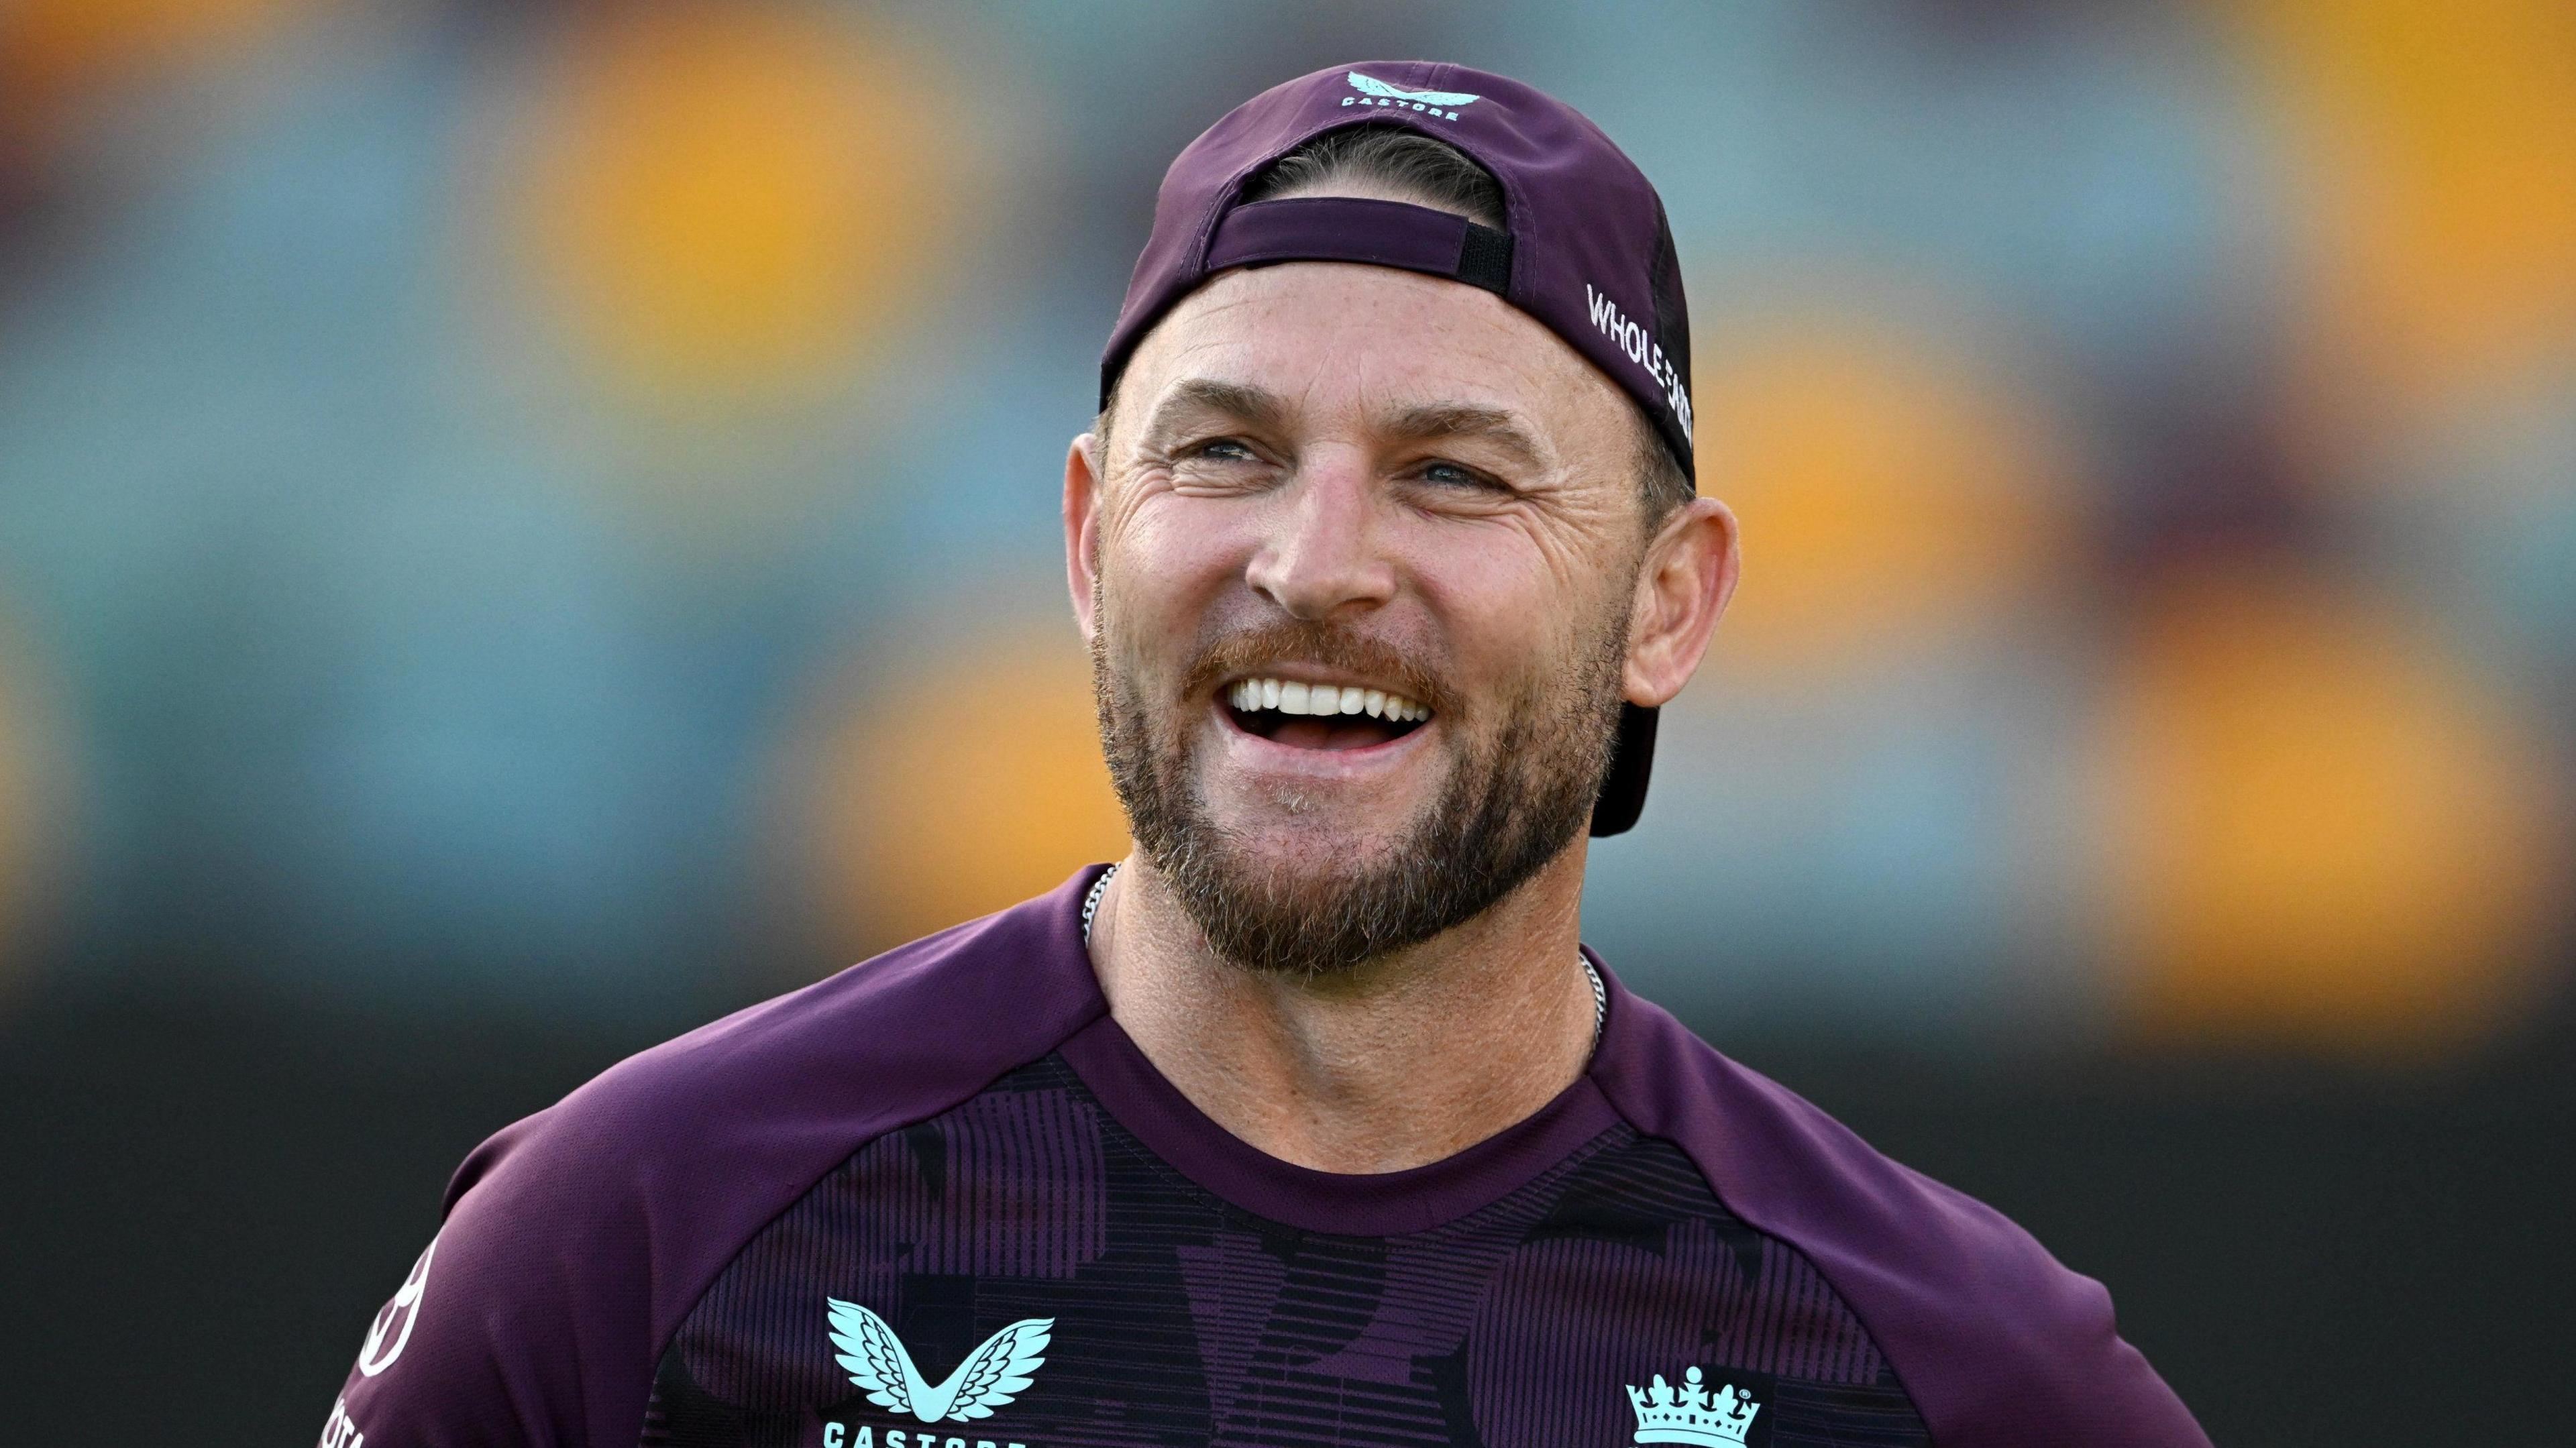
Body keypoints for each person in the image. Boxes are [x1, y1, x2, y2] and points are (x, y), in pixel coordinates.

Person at [321, 62, 2209, 1448]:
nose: (1311, 568)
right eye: (1222, 453)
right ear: (1084, 540)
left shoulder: (1940, 1370)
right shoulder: (651, 1229)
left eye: (1453, 475)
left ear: (1666, 605)